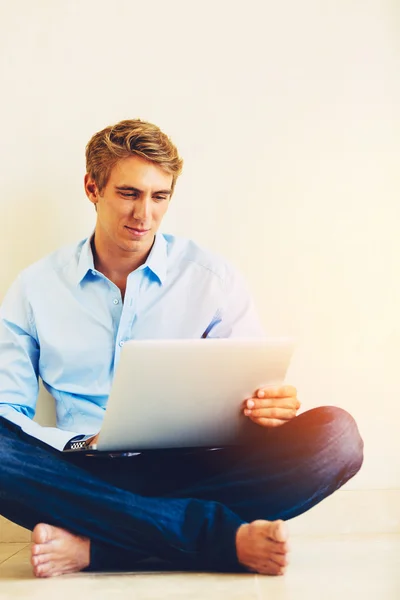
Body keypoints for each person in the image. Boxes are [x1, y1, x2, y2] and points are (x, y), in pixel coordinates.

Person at [0, 119, 363, 578]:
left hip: (196, 469)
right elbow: (6, 409)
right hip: (83, 474)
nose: (144, 215)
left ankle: (103, 549)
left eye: (160, 197)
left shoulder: (211, 278)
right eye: (129, 194)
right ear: (93, 187)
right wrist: (76, 441)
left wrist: (268, 410)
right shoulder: (35, 288)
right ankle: (214, 537)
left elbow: (251, 387)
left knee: (338, 436)